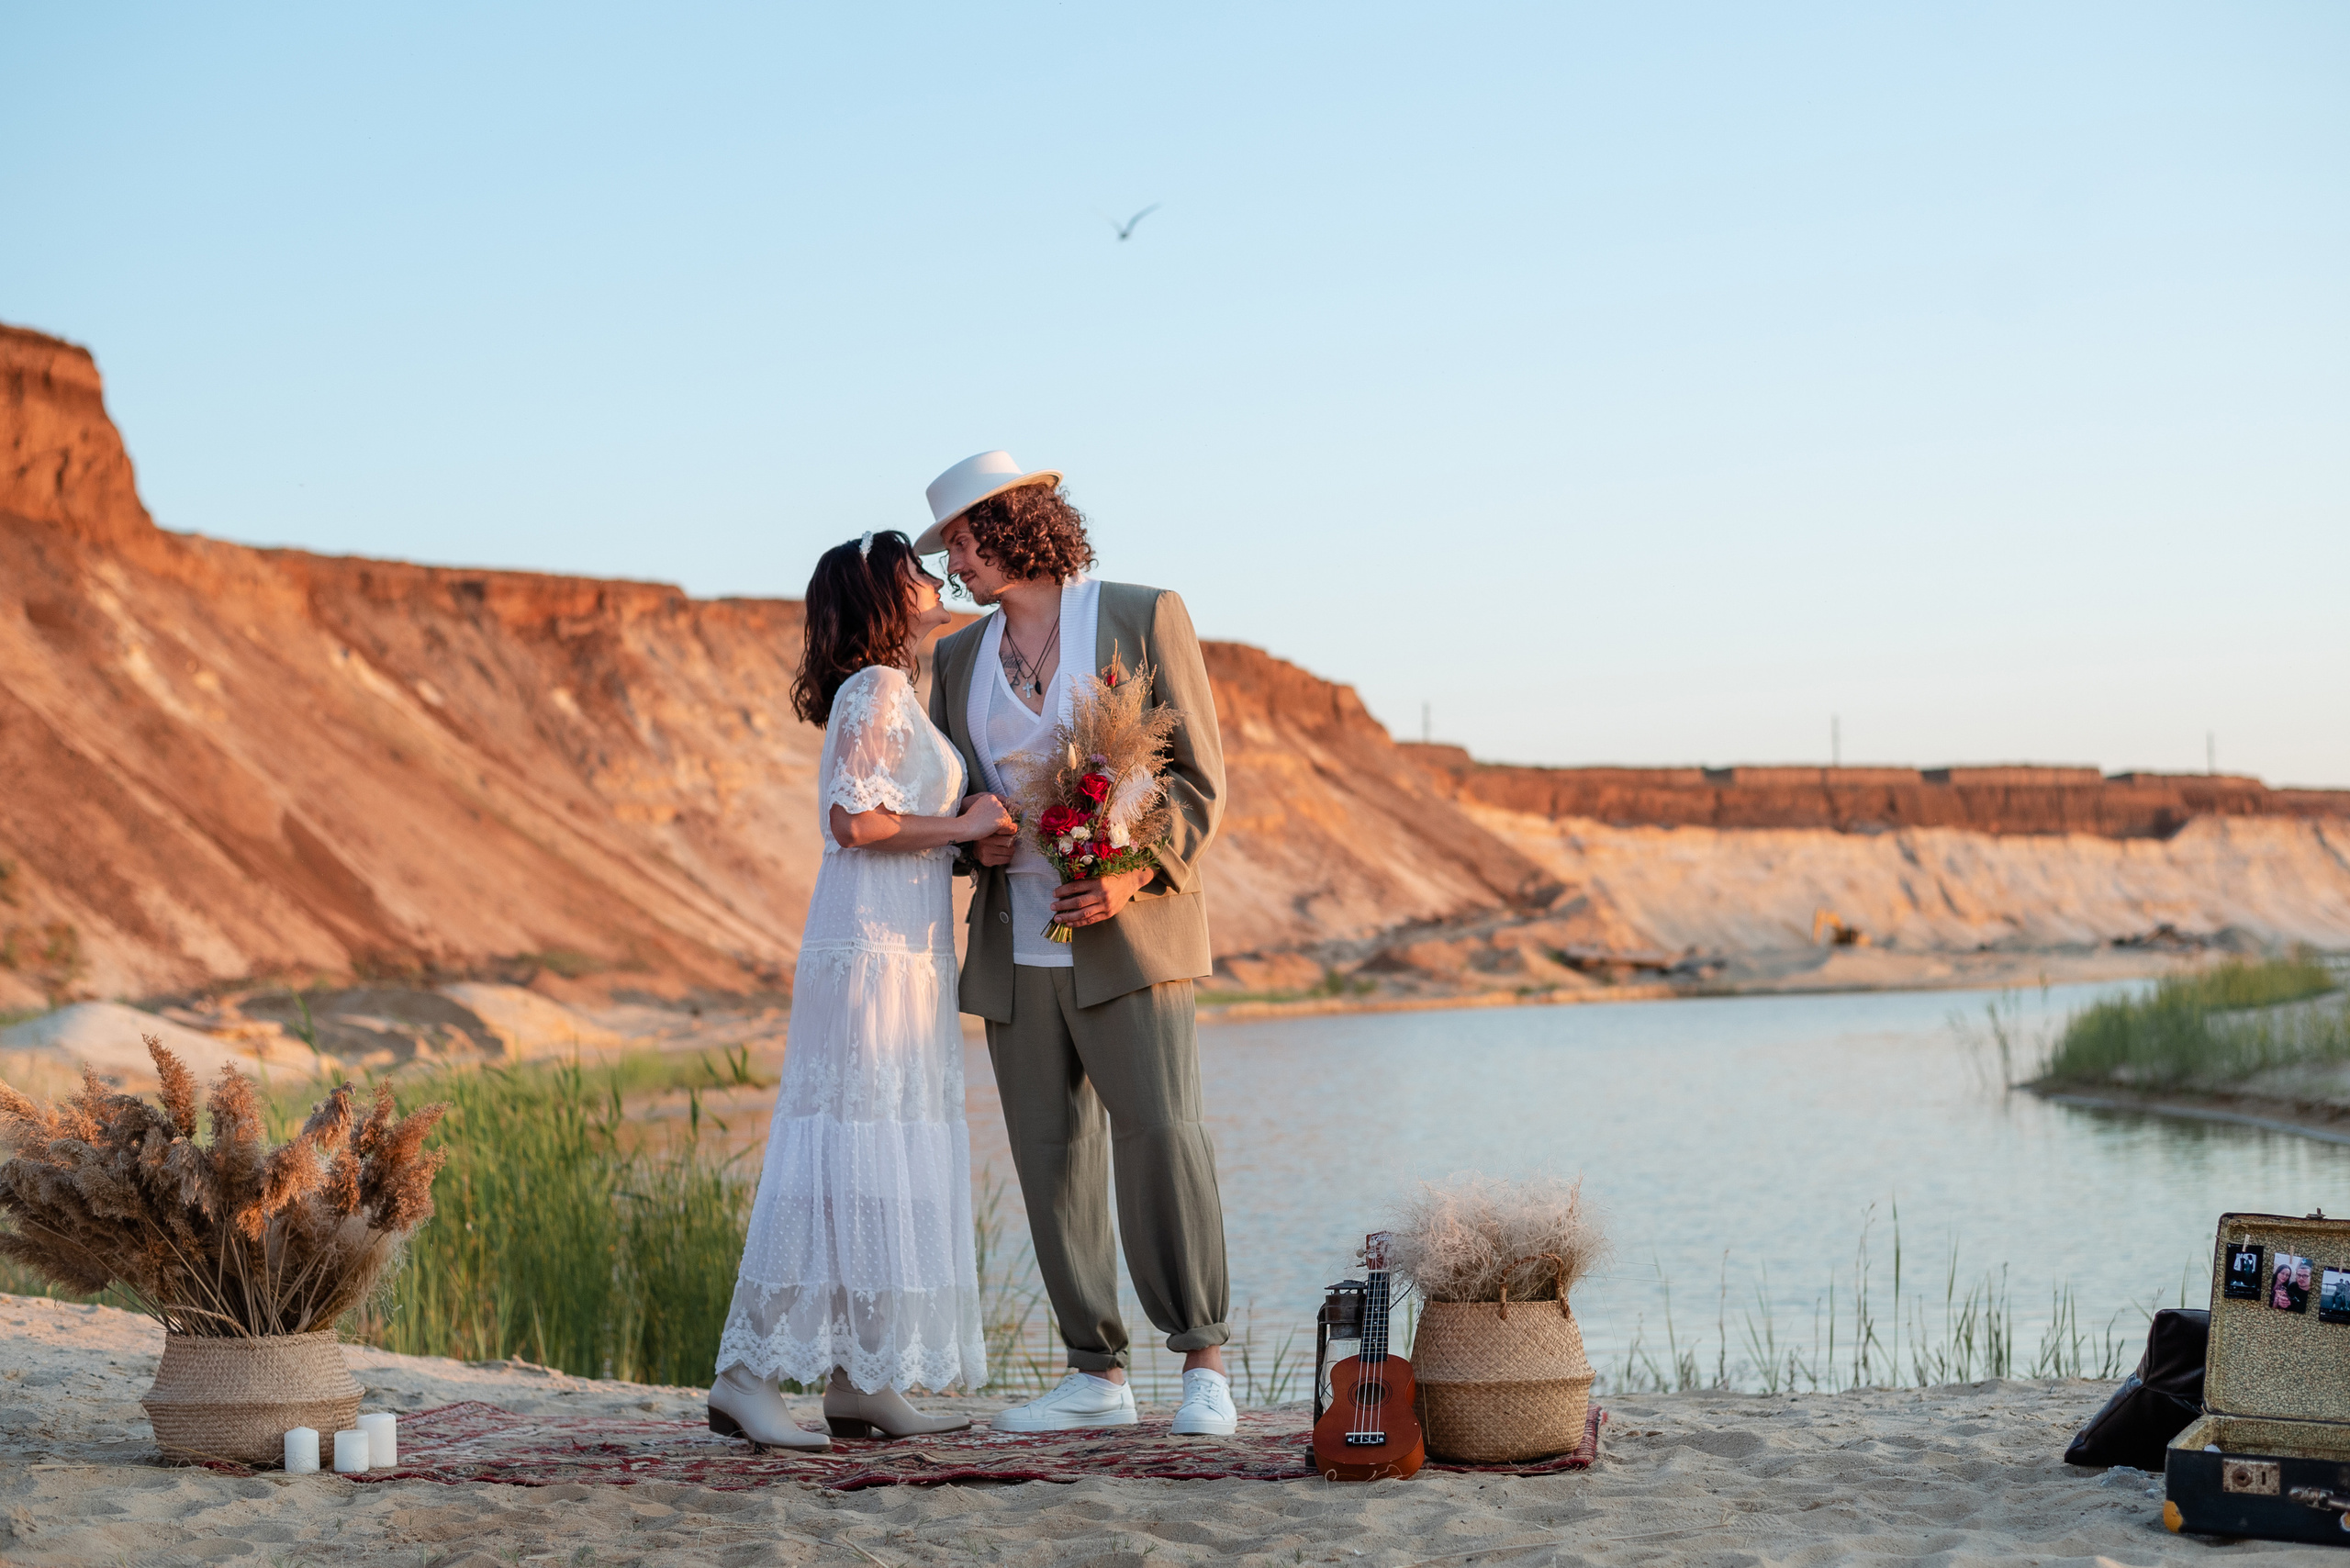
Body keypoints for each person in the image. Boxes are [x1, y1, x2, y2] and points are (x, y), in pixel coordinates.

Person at [915, 451, 1238, 1438]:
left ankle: (1204, 1367)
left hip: (1129, 940)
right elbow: (957, 794)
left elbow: (1196, 780)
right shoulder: (959, 660)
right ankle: (1094, 1375)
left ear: (1017, 524)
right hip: (1015, 949)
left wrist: (1133, 873)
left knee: (1162, 1141)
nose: (957, 563)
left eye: (966, 539)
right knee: (1050, 1157)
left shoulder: (1144, 613)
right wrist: (983, 835)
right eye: (951, 549)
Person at [708, 529, 1016, 1449]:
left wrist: (965, 840)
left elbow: (894, 824)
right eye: (915, 573)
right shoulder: (875, 688)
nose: (934, 580)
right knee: (844, 1152)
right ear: (882, 596)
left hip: (902, 950)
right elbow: (854, 821)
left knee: (879, 1154)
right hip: (873, 954)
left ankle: (861, 1380)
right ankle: (744, 1376)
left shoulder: (891, 692)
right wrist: (959, 821)